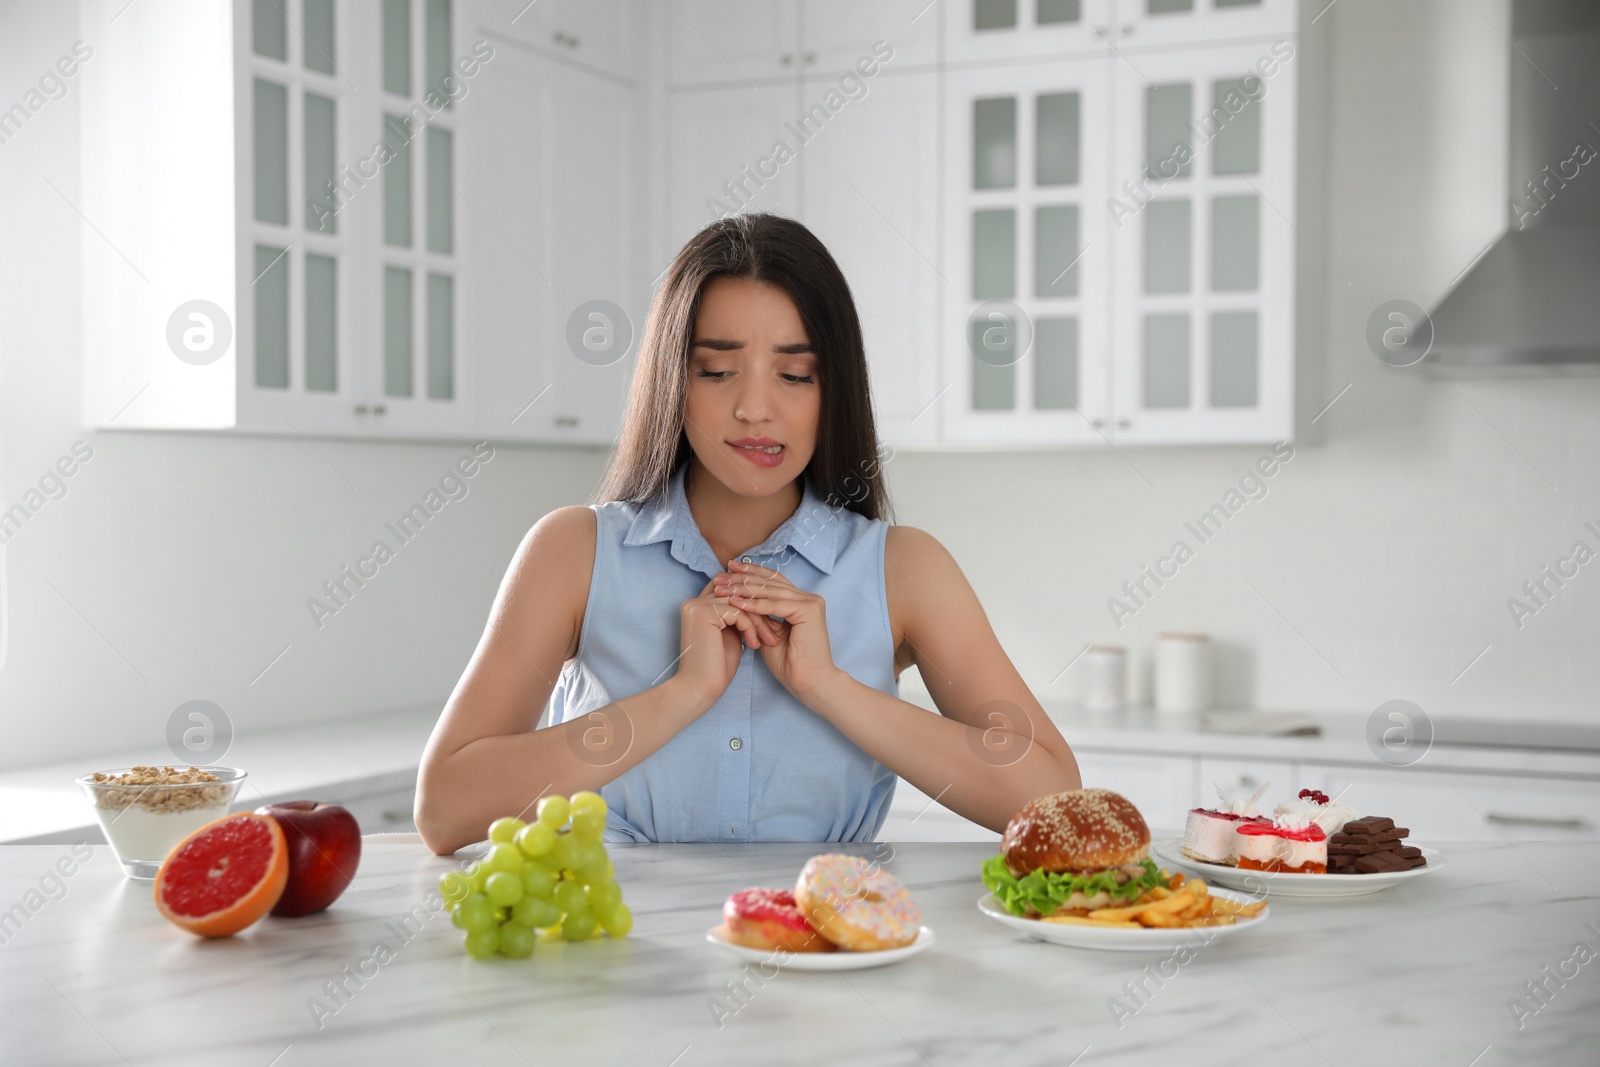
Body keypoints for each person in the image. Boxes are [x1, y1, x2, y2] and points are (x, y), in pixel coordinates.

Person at [416, 213, 1080, 854]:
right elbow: (445, 808)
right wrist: (681, 695)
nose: (755, 408)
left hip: (828, 952)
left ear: (833, 387)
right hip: (611, 952)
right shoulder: (573, 552)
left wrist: (830, 687)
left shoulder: (904, 567)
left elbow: (1056, 802)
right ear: (673, 381)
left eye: (795, 373)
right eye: (716, 369)